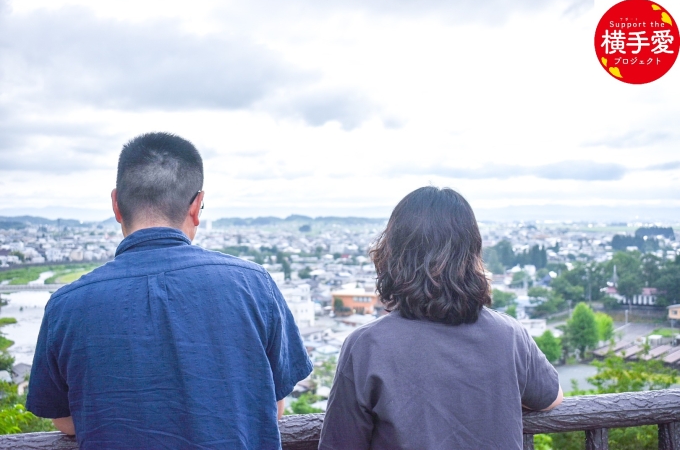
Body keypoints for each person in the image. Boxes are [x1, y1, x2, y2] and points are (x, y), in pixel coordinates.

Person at [26, 132, 312, 449]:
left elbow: (64, 421)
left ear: (116, 204)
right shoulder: (255, 284)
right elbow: (273, 407)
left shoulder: (66, 306)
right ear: (197, 206)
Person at [318, 186, 562, 450]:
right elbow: (550, 398)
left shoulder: (367, 345)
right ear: (471, 255)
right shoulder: (510, 335)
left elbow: (340, 442)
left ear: (393, 255)